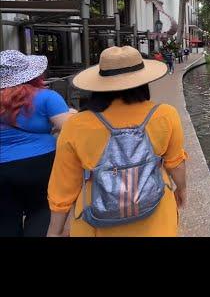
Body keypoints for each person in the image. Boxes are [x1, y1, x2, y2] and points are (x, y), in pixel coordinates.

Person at [46, 46, 188, 237]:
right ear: (143, 82)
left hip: (97, 221)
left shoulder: (76, 125)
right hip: (156, 217)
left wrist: (54, 232)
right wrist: (181, 189)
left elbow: (63, 188)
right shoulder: (165, 114)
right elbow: (175, 164)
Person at [0, 50, 76, 237]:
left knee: (5, 221)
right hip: (40, 164)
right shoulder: (46, 97)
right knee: (41, 212)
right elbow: (70, 131)